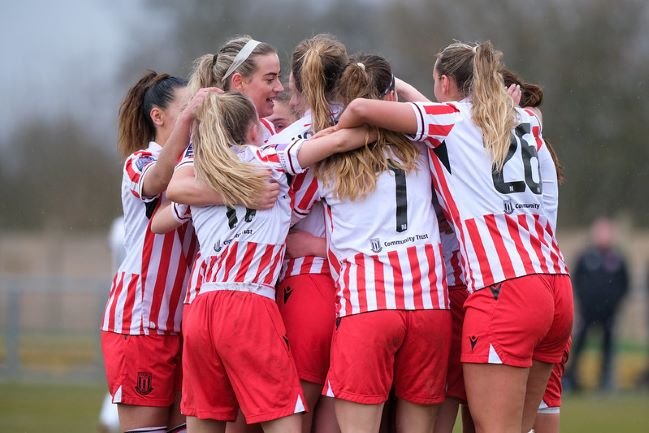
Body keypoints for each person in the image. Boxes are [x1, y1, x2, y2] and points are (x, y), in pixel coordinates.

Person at [333, 41, 573, 433]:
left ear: (444, 82)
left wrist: (341, 141)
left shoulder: (449, 121)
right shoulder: (525, 118)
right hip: (555, 286)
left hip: (505, 287)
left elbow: (359, 109)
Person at [169, 90, 373, 433]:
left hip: (201, 309)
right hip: (248, 304)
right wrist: (377, 132)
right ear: (252, 131)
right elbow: (338, 144)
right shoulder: (271, 160)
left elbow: (170, 199)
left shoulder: (202, 172)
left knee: (204, 422)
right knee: (285, 421)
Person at [295, 54, 452, 433]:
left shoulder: (327, 160)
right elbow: (436, 114)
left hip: (367, 307)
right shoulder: (422, 148)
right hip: (429, 304)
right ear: (391, 98)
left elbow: (286, 213)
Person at [100, 71, 205, 433]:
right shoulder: (140, 161)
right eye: (185, 107)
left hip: (185, 326)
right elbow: (158, 181)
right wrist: (191, 118)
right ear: (158, 116)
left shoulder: (200, 165)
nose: (195, 114)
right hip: (141, 324)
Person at [266, 33, 348, 433]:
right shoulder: (376, 122)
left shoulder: (298, 138)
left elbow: (284, 210)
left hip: (309, 284)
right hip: (361, 292)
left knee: (293, 416)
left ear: (299, 86)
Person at [565, 216, 630, 392]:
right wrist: (584, 302)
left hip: (609, 313)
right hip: (588, 313)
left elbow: (625, 284)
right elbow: (576, 281)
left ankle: (605, 381)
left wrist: (615, 303)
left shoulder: (617, 258)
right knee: (579, 346)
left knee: (607, 348)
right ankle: (572, 379)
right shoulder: (586, 257)